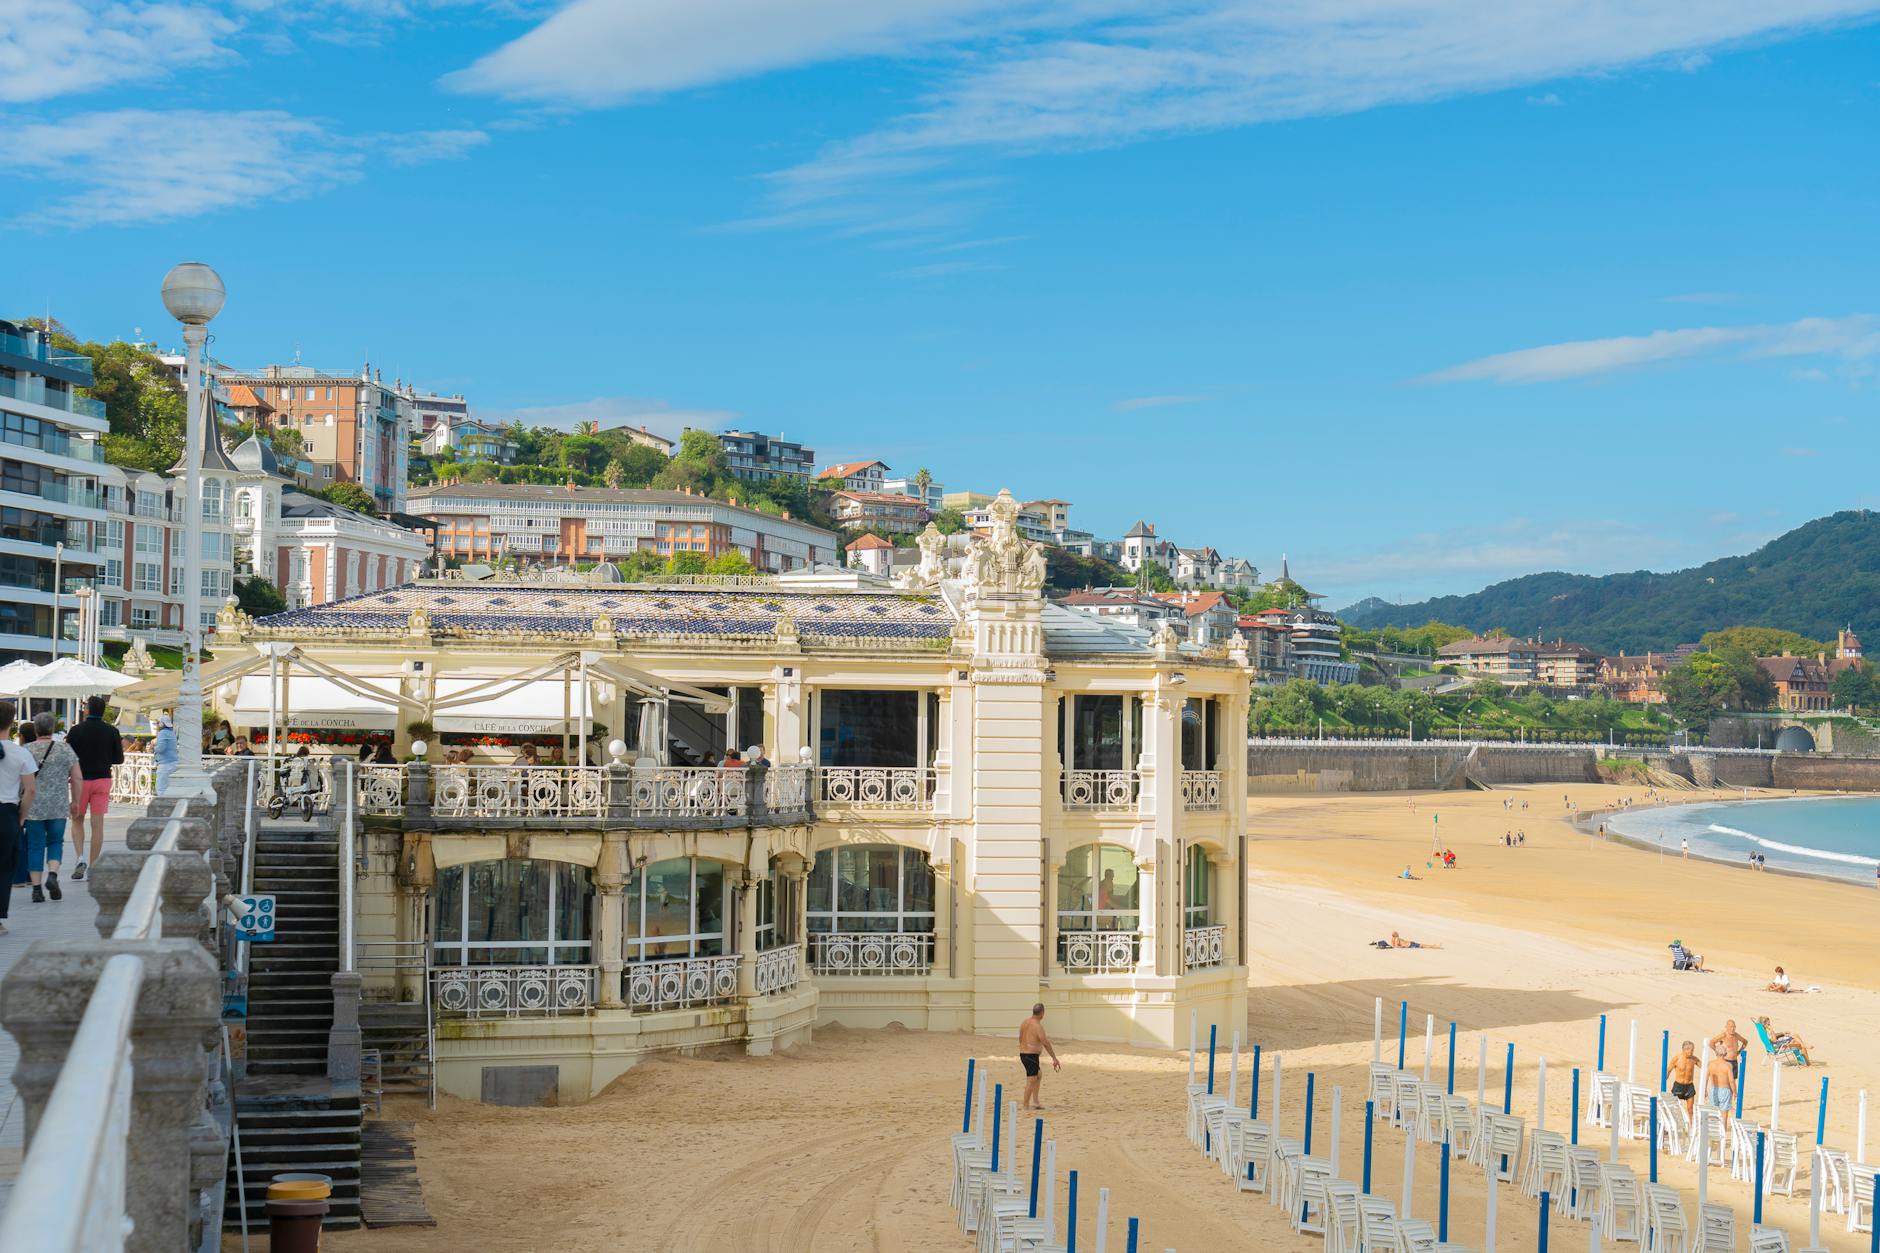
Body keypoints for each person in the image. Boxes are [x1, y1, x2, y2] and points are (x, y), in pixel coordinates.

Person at [64, 694, 123, 882]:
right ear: (103, 712)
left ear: (87, 710)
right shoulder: (112, 731)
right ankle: (94, 865)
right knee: (97, 824)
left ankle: (80, 858)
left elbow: (68, 757)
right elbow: (119, 759)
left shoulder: (76, 731)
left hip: (80, 780)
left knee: (77, 820)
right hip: (103, 780)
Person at [22, 713, 79, 904]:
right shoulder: (65, 749)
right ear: (53, 729)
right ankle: (53, 874)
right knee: (55, 842)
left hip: (33, 807)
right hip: (58, 806)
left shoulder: (26, 750)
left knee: (35, 846)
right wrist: (76, 801)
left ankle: (36, 889)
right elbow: (77, 777)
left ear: (36, 729)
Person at [0, 700, 39, 934]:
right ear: (12, 723)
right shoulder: (20, 753)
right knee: (4, 866)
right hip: (6, 813)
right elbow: (31, 790)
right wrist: (21, 817)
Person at [1018, 1002, 1060, 1111]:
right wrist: (1054, 1058)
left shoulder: (1025, 1022)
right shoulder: (1037, 1025)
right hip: (1031, 1056)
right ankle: (1025, 1106)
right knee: (1031, 1080)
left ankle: (1035, 1102)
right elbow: (1045, 1042)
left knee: (1038, 1074)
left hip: (1023, 1054)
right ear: (1042, 1013)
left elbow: (1020, 1038)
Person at [1666, 1039, 1700, 1119]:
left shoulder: (1694, 1059)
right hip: (1678, 1085)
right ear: (1685, 1049)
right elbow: (1668, 1070)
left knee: (1690, 1109)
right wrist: (1664, 1079)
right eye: (1691, 1050)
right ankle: (1671, 1124)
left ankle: (1692, 1127)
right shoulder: (1676, 1059)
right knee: (1674, 1108)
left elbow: (1704, 1067)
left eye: (1693, 1050)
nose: (1692, 1052)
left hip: (1689, 1086)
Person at [1705, 1049, 1737, 1122]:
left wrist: (1705, 1090)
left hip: (1713, 1090)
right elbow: (1731, 1081)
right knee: (1724, 1114)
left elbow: (1706, 1078)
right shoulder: (1728, 1065)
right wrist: (1735, 1092)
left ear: (1716, 1054)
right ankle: (1723, 1131)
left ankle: (1713, 1129)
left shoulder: (1710, 1064)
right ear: (1725, 1054)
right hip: (1725, 1090)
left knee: (1713, 1112)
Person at [151, 714, 178, 798]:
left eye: (157, 723)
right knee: (170, 788)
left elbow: (161, 749)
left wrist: (153, 747)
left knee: (161, 788)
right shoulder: (171, 733)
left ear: (162, 724)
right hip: (173, 762)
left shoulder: (162, 733)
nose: (157, 725)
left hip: (165, 764)